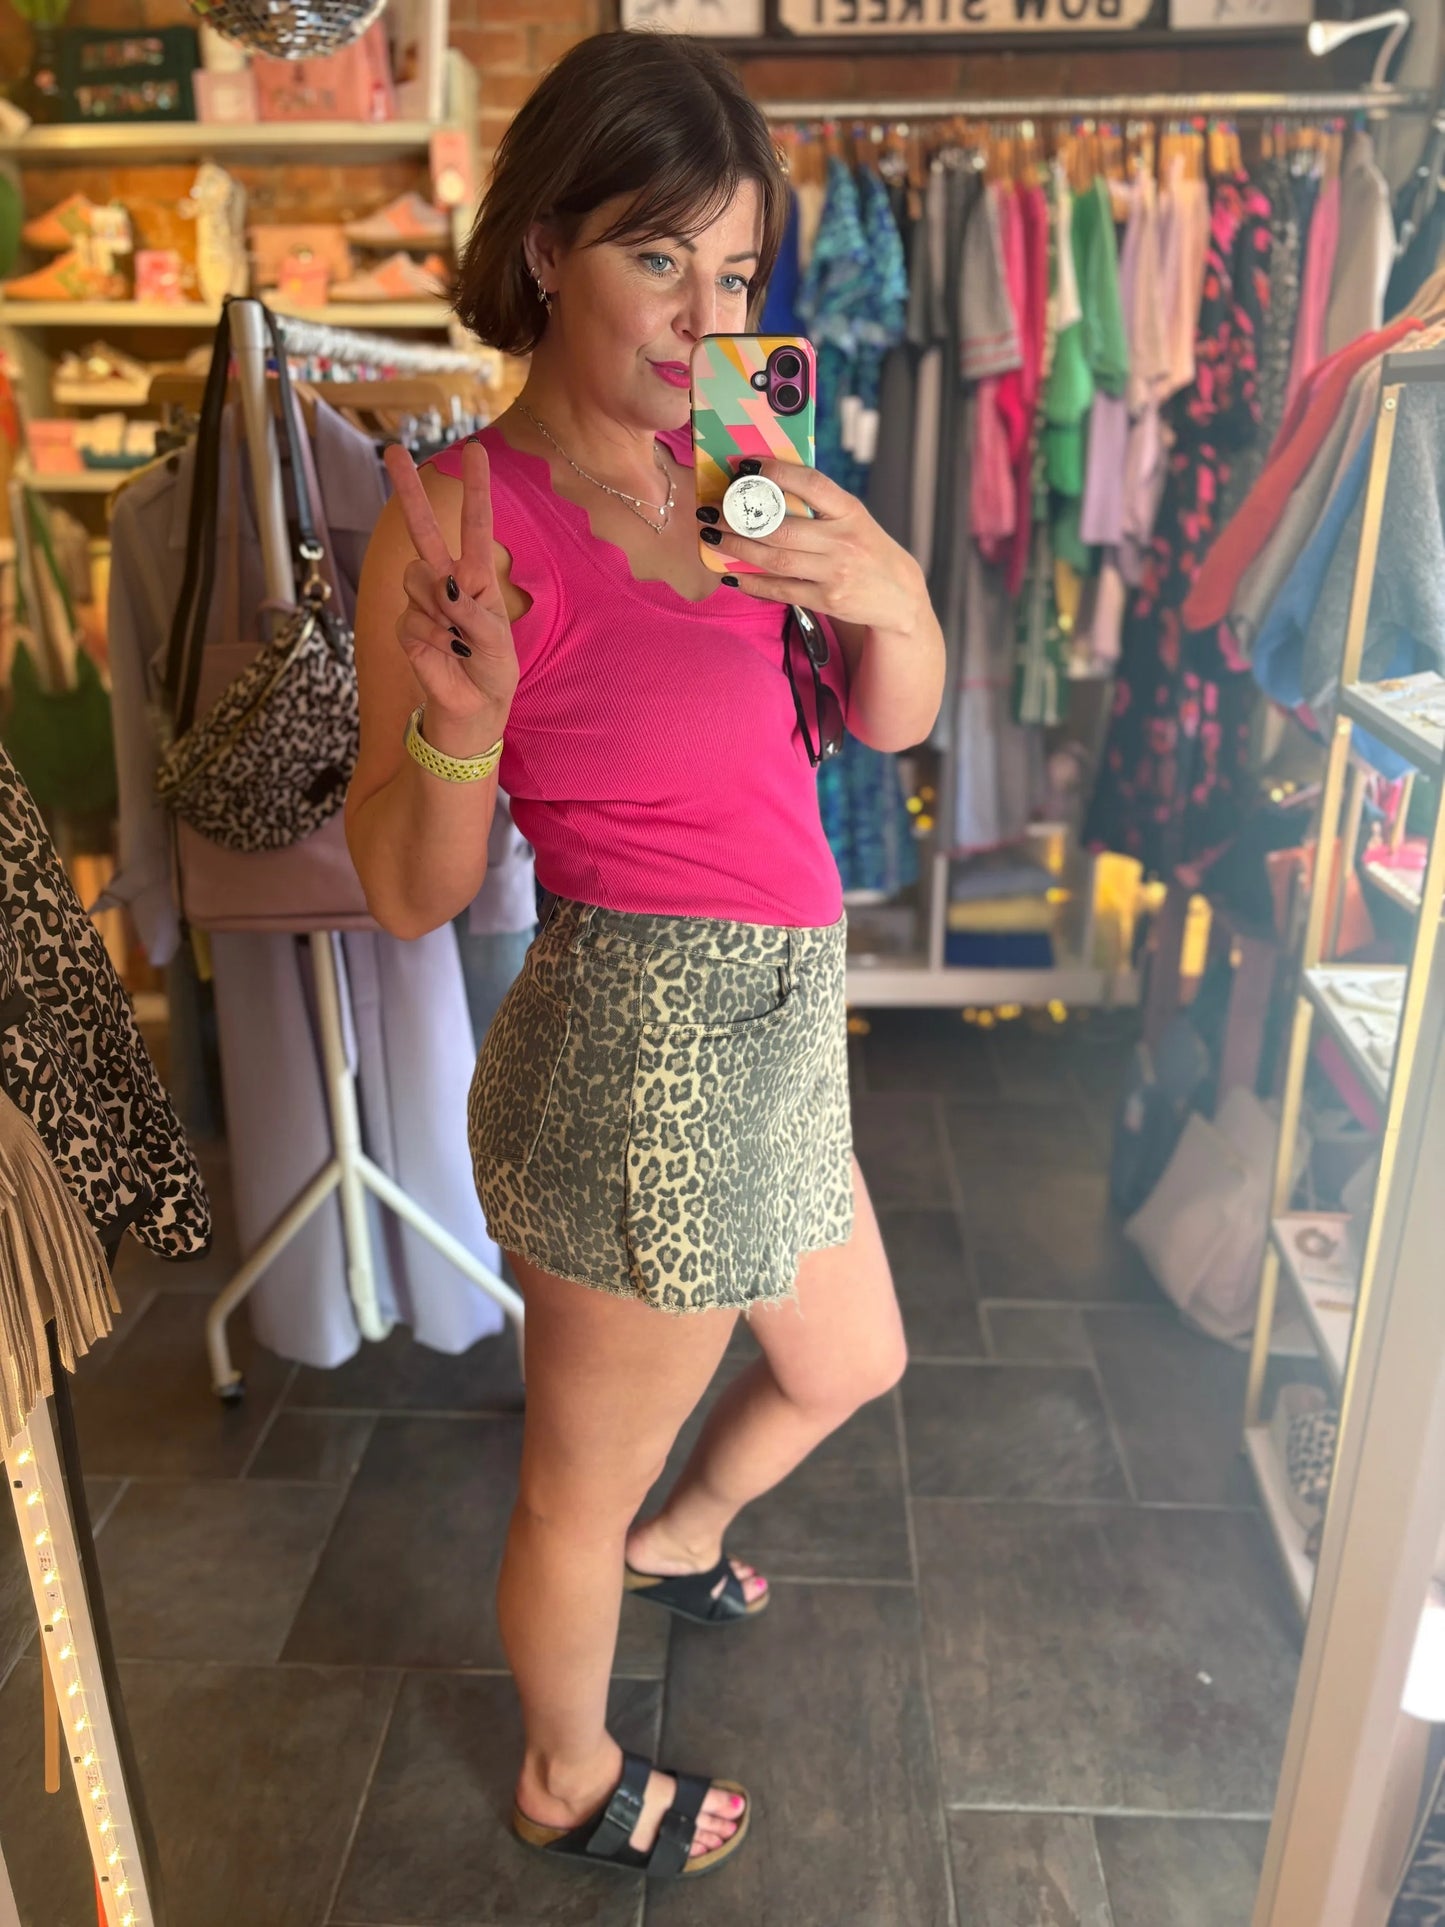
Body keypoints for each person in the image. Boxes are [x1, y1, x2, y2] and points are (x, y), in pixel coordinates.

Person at [347, 29, 945, 1885]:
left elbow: (890, 722)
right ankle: (560, 1770)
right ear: (547, 250)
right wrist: (465, 723)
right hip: (643, 1059)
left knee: (849, 1358)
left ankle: (679, 1543)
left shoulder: (737, 458)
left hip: (774, 1025)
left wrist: (894, 598)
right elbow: (404, 887)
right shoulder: (456, 514)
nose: (705, 312)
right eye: (657, 257)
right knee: (568, 1483)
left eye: (734, 269)